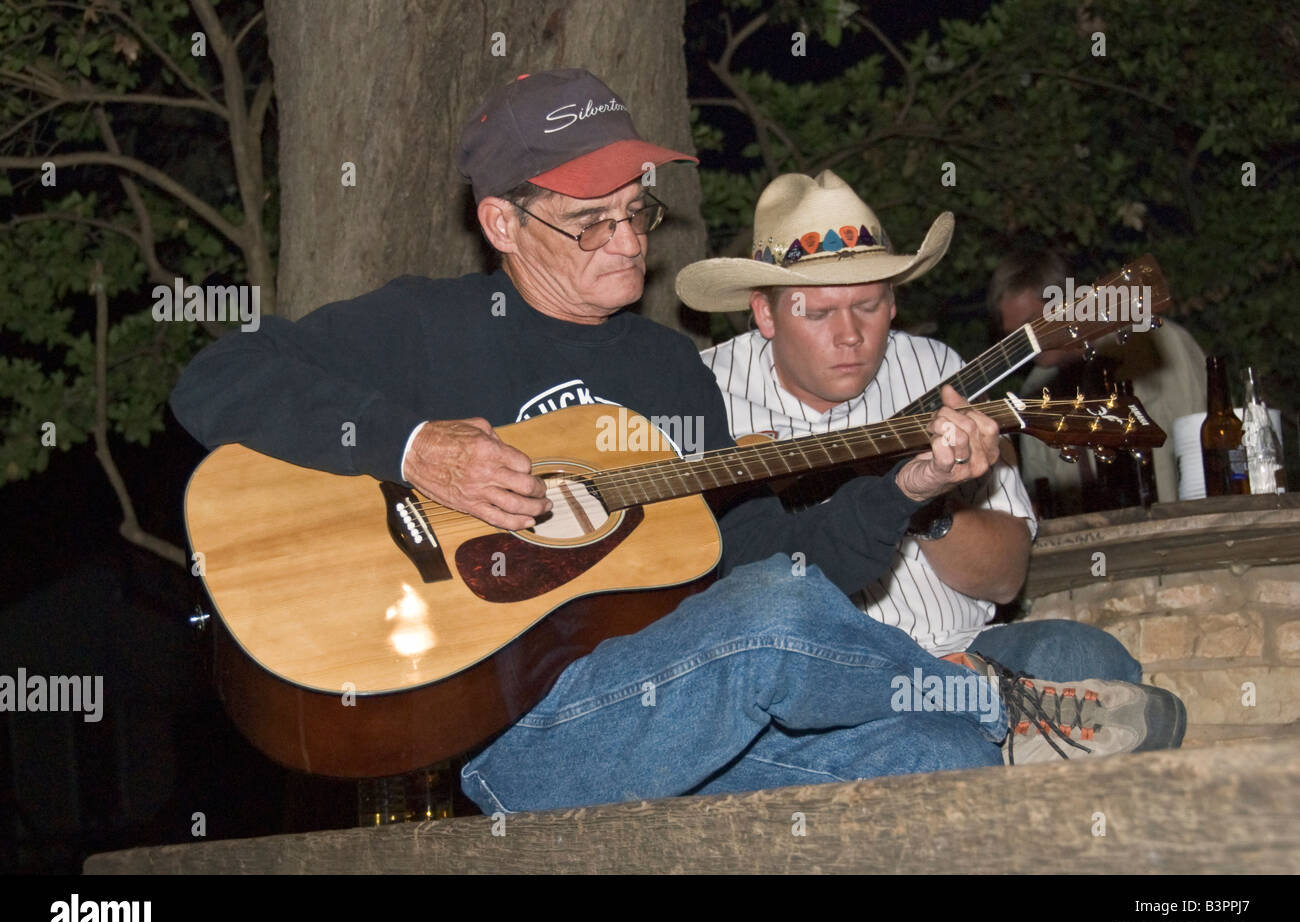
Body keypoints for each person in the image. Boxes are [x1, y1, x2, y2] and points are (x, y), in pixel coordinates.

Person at [170, 71, 1181, 813]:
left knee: (942, 754)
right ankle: (1003, 698)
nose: (626, 240)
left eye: (636, 211)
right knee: (793, 627)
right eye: (589, 220)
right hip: (514, 743)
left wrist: (907, 484)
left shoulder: (667, 373)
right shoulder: (425, 325)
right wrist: (417, 446)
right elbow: (211, 378)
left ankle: (996, 717)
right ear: (501, 221)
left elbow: (763, 568)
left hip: (679, 717)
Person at [681, 169, 1152, 694]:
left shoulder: (938, 372)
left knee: (1087, 655)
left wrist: (923, 503)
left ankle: (977, 705)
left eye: (868, 305)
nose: (850, 336)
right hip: (813, 672)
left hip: (961, 650)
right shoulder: (704, 392)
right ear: (765, 313)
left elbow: (1005, 578)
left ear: (894, 302)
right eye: (818, 313)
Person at [988, 248, 1207, 514]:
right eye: (1013, 337)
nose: (1026, 346)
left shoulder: (1158, 344)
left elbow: (1204, 445)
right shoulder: (1035, 391)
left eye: (1031, 324)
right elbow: (1039, 489)